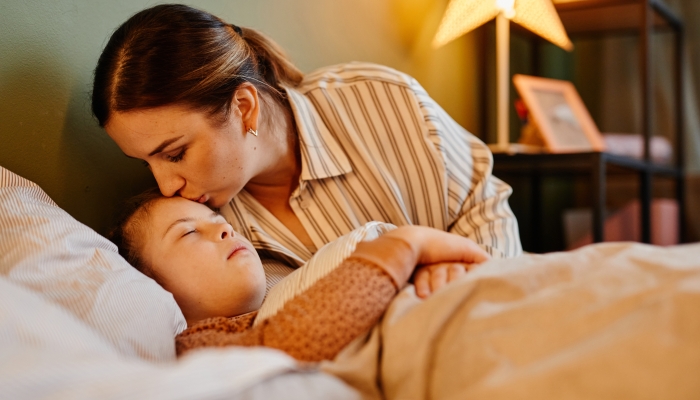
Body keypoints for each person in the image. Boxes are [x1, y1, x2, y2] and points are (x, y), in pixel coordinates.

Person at [92, 4, 522, 282]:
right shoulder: (209, 235)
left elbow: (481, 203)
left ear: (243, 106)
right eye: (148, 163)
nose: (167, 186)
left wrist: (467, 281)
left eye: (174, 154)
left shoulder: (384, 99)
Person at [108, 188, 490, 362]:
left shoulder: (295, 286)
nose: (225, 230)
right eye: (189, 233)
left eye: (220, 221)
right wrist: (402, 247)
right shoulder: (196, 348)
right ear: (148, 284)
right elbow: (286, 347)